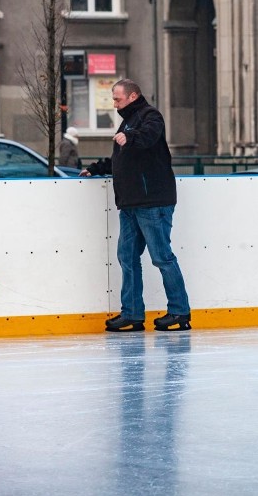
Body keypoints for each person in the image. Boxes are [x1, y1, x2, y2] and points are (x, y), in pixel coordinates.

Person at [81, 79, 191, 333]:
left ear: (132, 96)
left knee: (162, 257)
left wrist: (128, 136)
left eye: (117, 98)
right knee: (127, 257)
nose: (114, 103)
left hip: (152, 201)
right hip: (131, 203)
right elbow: (122, 160)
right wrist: (96, 169)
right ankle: (132, 313)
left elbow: (147, 139)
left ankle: (180, 311)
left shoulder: (150, 116)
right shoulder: (128, 120)